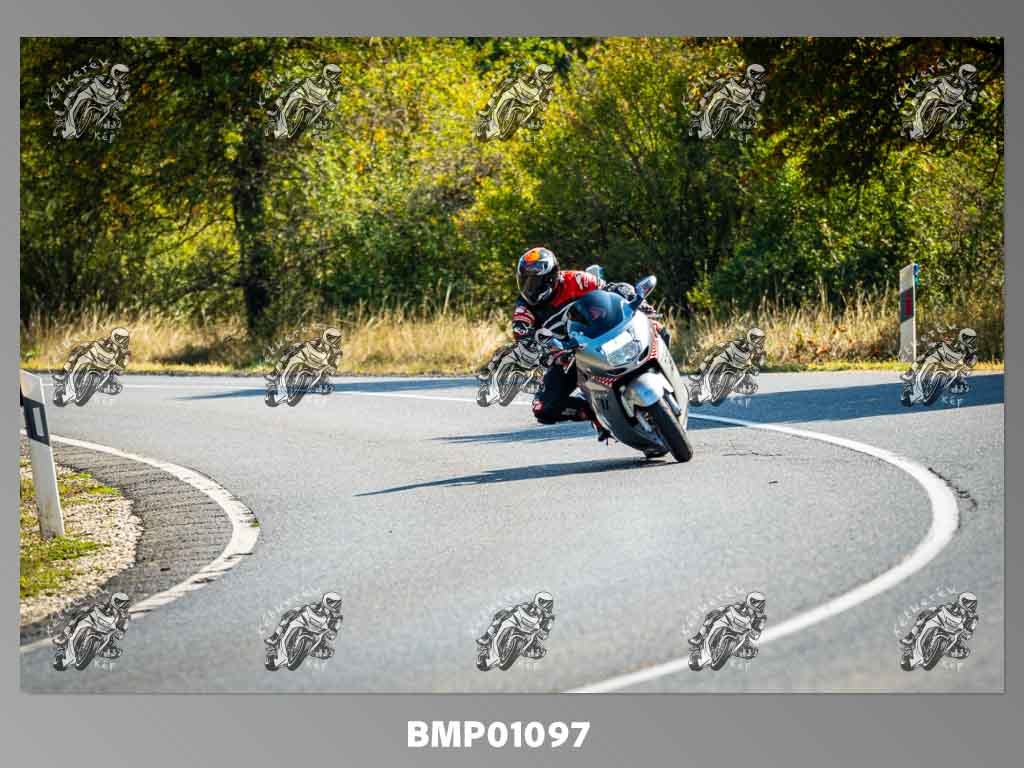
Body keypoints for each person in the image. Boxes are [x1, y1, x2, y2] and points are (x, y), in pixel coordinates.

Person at [508, 247, 662, 434]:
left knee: (658, 329)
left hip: (601, 336)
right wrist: (543, 351)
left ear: (551, 277)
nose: (529, 288)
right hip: (568, 355)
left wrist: (637, 301)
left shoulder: (576, 280)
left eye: (534, 282)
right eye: (524, 281)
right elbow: (522, 333)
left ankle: (662, 372)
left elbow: (612, 289)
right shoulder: (524, 307)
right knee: (543, 408)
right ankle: (597, 413)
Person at [265, 592, 344, 670]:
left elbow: (333, 632)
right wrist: (295, 612)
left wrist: (331, 632)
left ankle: (307, 652)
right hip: (304, 624)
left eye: (337, 604)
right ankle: (275, 637)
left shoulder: (337, 617)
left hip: (318, 633)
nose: (335, 605)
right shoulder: (314, 606)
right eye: (333, 603)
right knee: (288, 616)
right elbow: (301, 608)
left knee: (329, 652)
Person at [476, 592, 555, 669]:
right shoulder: (527, 605)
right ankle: (487, 637)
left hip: (530, 632)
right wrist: (506, 612)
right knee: (499, 617)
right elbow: (513, 608)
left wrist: (543, 632)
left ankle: (522, 651)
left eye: (549, 604)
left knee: (541, 652)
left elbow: (544, 634)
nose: (546, 605)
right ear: (538, 600)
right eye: (544, 602)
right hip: (516, 623)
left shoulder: (549, 617)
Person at [53, 327, 130, 406]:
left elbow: (125, 361)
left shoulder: (125, 351)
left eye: (125, 339)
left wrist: (121, 368)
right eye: (121, 338)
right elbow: (91, 344)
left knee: (118, 387)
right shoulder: (104, 341)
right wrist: (83, 347)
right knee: (77, 352)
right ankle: (63, 373)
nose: (123, 341)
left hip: (107, 367)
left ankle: (100, 387)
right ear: (114, 336)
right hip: (94, 360)